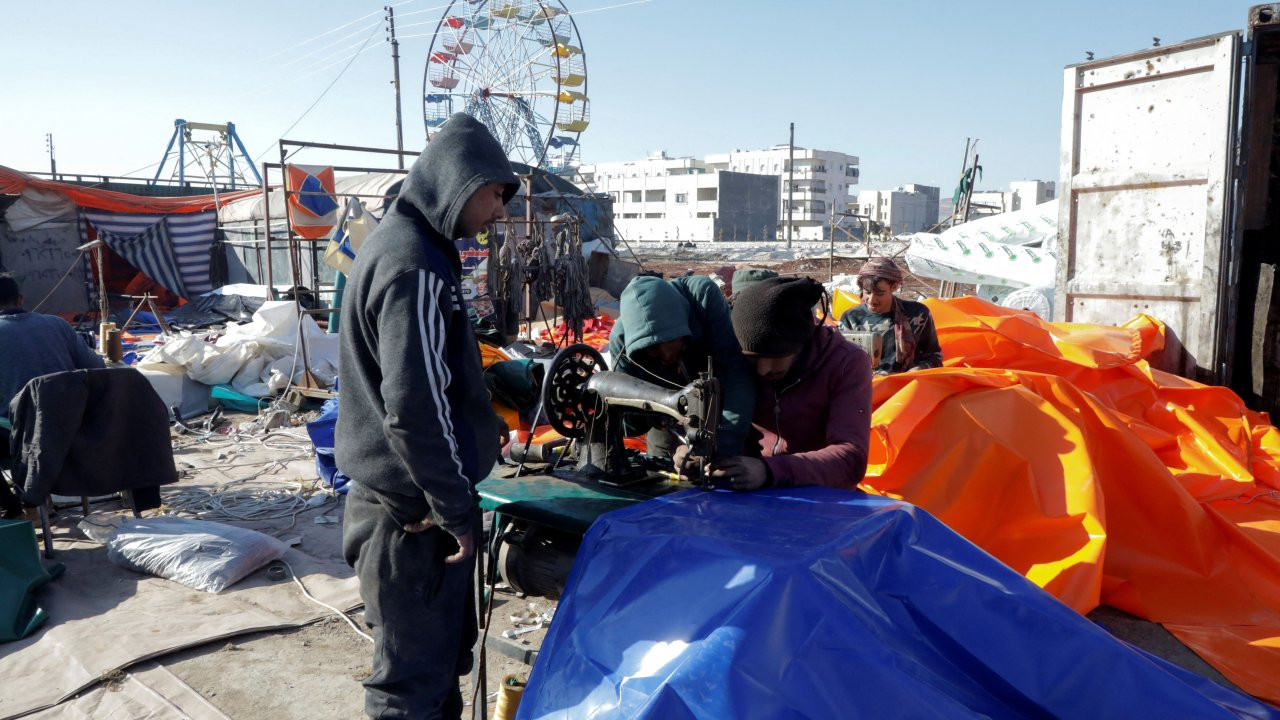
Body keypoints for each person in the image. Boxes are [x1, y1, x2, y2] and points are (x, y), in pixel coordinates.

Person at [336, 113, 516, 720]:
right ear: (458, 183)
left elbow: (431, 380)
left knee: (437, 676)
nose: (498, 211)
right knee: (408, 692)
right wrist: (455, 510)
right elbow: (415, 408)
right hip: (408, 523)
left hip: (408, 510)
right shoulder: (414, 267)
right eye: (494, 193)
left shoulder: (409, 249)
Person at [701, 276, 872, 491]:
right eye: (753, 358)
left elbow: (851, 459)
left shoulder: (846, 363)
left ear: (801, 341)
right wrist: (689, 451)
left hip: (821, 498)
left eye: (773, 356)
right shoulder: (738, 361)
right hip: (750, 492)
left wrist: (770, 470)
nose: (762, 370)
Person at [608, 274, 755, 465]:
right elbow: (629, 416)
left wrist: (725, 442)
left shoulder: (703, 298)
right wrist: (655, 422)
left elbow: (736, 373)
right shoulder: (622, 342)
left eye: (671, 342)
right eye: (653, 351)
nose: (667, 356)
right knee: (665, 475)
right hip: (666, 421)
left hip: (721, 404)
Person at [0, 274, 104, 518]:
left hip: (21, 440)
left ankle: (16, 505)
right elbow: (97, 367)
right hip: (74, 429)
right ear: (21, 299)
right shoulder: (57, 325)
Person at [839, 257, 943, 375]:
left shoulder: (917, 315)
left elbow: (935, 357)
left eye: (879, 293)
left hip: (906, 387)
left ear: (894, 287)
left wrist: (918, 370)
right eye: (867, 292)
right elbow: (839, 362)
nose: (872, 300)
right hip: (866, 389)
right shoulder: (851, 318)